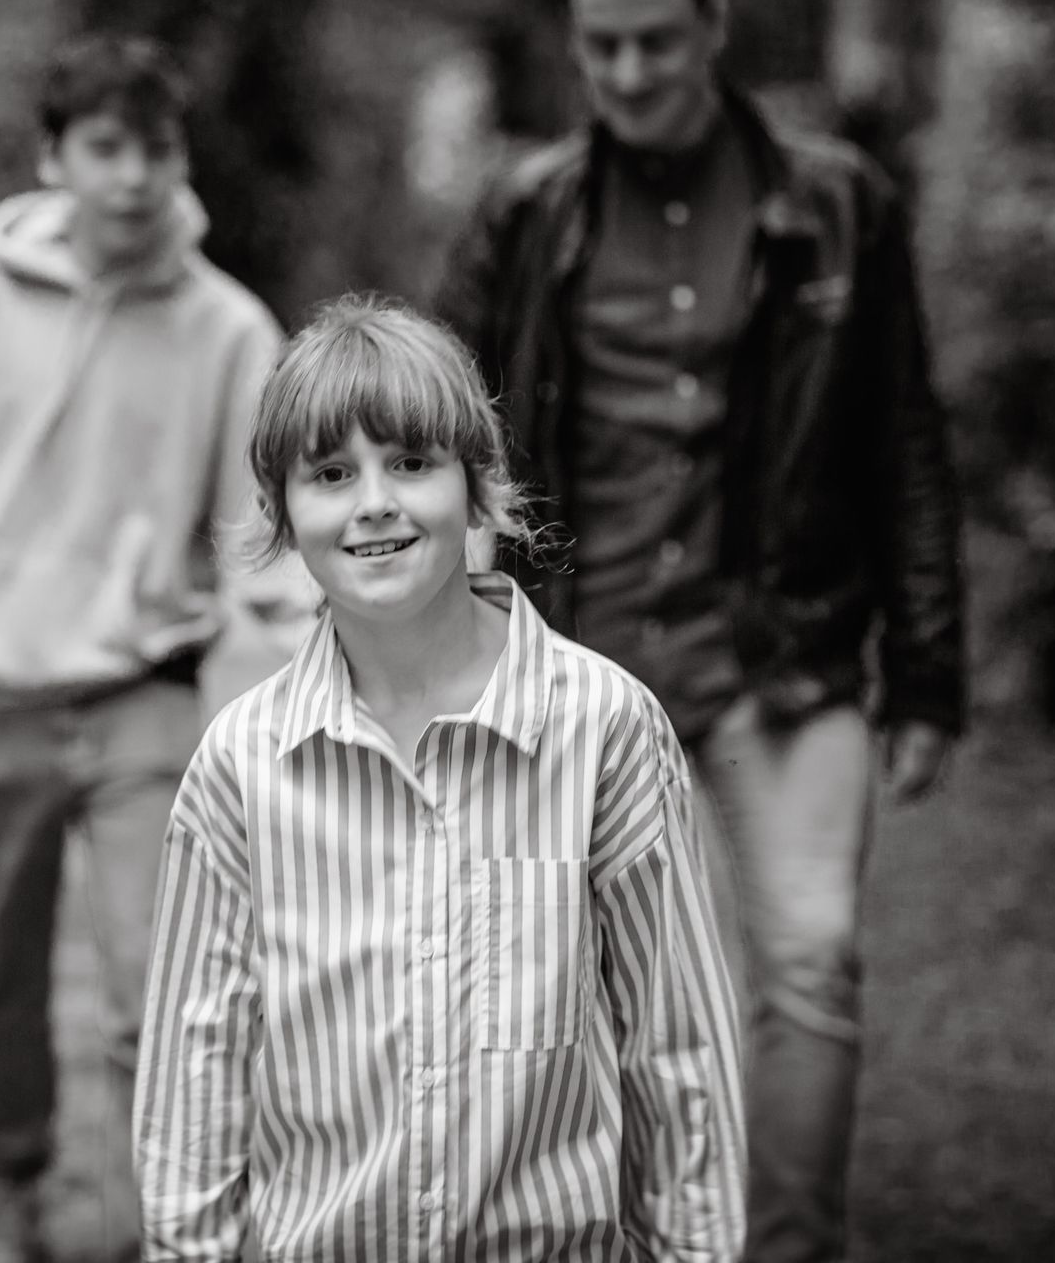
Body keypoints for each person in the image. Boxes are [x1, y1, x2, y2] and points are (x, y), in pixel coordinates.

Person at [431, 0, 967, 1259]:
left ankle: (785, 1244)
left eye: (654, 42)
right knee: (571, 993)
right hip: (570, 663)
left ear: (714, 30)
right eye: (600, 48)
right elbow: (436, 432)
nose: (625, 72)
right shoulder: (526, 209)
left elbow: (903, 435)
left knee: (810, 960)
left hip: (784, 652)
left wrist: (929, 671)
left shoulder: (840, 203)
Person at [135, 296, 747, 1260]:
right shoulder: (239, 769)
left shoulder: (606, 729)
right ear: (282, 516)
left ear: (480, 486)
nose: (374, 501)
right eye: (331, 474)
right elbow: (194, 1075)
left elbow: (677, 1054)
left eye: (411, 463)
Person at [0, 32, 294, 1263]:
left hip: (147, 692)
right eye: (105, 149)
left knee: (159, 983)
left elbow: (275, 523)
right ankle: (8, 1200)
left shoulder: (230, 328)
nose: (134, 178)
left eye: (155, 150)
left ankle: (162, 1221)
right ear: (55, 158)